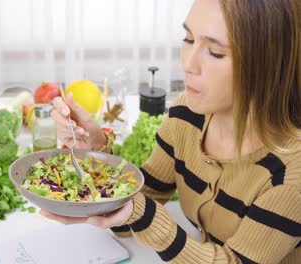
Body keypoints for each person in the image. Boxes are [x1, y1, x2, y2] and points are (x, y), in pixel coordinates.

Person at [41, 0, 301, 263]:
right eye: (188, 39)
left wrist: (147, 218)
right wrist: (95, 150)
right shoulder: (186, 116)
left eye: (215, 52)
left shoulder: (289, 176)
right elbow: (130, 214)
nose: (188, 63)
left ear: (269, 66)